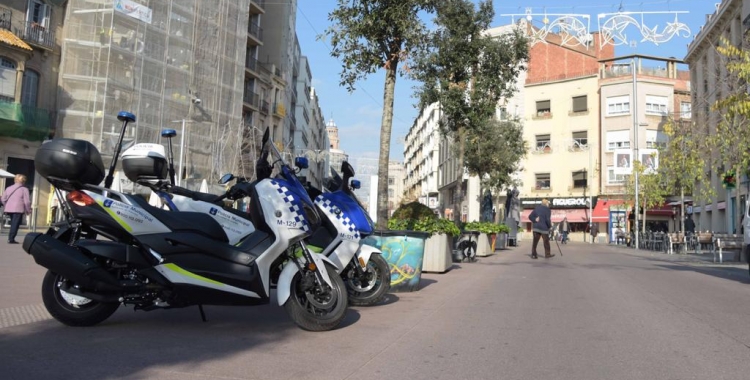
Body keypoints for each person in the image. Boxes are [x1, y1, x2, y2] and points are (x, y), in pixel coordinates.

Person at [1, 174, 32, 244]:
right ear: (23, 181)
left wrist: (7, 205)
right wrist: (28, 210)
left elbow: (3, 199)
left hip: (9, 209)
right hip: (18, 209)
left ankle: (11, 238)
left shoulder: (8, 188)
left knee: (13, 223)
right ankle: (11, 239)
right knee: (15, 224)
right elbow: (27, 201)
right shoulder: (24, 189)